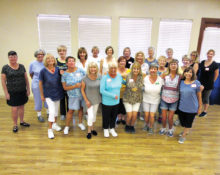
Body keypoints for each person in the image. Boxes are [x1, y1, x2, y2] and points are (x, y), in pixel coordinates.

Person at [1, 51, 30, 133]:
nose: (13, 58)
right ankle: (15, 124)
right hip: (12, 92)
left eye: (14, 56)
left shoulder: (21, 66)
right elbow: (3, 81)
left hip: (22, 91)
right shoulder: (5, 68)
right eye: (11, 57)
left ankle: (21, 121)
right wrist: (6, 93)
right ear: (8, 58)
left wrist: (28, 89)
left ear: (17, 57)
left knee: (21, 106)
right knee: (14, 109)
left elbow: (26, 78)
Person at [39, 54, 64, 139]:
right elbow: (40, 83)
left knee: (56, 111)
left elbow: (63, 80)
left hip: (58, 93)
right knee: (52, 112)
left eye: (52, 58)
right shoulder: (43, 71)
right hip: (48, 95)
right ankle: (50, 130)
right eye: (48, 58)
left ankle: (54, 124)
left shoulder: (58, 69)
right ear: (46, 60)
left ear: (54, 60)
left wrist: (62, 74)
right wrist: (42, 95)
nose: (50, 60)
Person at [62, 56, 86, 135]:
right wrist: (74, 86)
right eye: (69, 61)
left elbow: (86, 79)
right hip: (72, 96)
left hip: (82, 94)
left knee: (81, 109)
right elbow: (65, 87)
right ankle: (67, 126)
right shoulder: (65, 74)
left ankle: (80, 123)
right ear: (67, 63)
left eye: (73, 61)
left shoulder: (80, 71)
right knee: (71, 111)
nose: (72, 62)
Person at [178, 67, 202, 143]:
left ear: (193, 74)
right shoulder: (181, 82)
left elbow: (199, 96)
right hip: (182, 107)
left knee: (188, 123)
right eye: (187, 72)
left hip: (192, 108)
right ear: (184, 73)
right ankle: (185, 130)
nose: (188, 73)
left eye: (190, 72)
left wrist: (200, 107)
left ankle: (184, 135)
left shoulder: (196, 83)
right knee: (182, 122)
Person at [159, 59, 181, 137]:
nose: (173, 65)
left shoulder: (180, 76)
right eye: (172, 64)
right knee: (164, 117)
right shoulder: (164, 75)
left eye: (175, 64)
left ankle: (171, 129)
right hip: (164, 98)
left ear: (177, 66)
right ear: (169, 66)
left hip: (174, 99)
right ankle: (163, 128)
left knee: (170, 118)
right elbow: (158, 82)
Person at [100, 62, 122, 137]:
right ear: (108, 69)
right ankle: (105, 129)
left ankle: (112, 128)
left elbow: (123, 82)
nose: (113, 70)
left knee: (114, 116)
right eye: (111, 68)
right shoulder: (105, 77)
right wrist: (113, 95)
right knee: (106, 116)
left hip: (116, 101)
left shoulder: (119, 76)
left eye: (114, 68)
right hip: (107, 101)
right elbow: (102, 90)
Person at [81, 62, 101, 139]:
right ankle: (89, 131)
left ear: (96, 68)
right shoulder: (85, 78)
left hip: (97, 99)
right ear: (89, 69)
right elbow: (82, 90)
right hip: (88, 100)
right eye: (91, 67)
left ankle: (92, 128)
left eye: (94, 67)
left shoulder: (100, 77)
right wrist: (86, 101)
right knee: (90, 116)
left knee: (94, 115)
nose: (93, 69)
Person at [143, 63, 164, 134]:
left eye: (155, 69)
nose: (153, 70)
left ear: (157, 70)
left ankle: (151, 127)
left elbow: (164, 88)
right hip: (145, 99)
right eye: (151, 69)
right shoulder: (145, 78)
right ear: (149, 70)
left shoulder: (160, 79)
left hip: (155, 100)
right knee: (146, 115)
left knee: (152, 115)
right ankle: (146, 124)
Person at [123, 62, 144, 133]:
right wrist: (135, 87)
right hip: (128, 98)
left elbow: (140, 85)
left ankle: (132, 126)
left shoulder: (141, 76)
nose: (136, 70)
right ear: (132, 69)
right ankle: (127, 125)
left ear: (139, 70)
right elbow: (129, 85)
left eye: (137, 69)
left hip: (137, 99)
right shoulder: (129, 75)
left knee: (134, 115)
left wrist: (135, 87)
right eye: (134, 68)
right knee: (129, 115)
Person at [198, 49, 219, 117]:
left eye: (211, 54)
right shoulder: (203, 62)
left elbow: (216, 74)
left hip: (209, 84)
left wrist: (212, 81)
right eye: (208, 53)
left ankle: (205, 111)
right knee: (199, 96)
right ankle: (198, 109)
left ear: (213, 55)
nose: (209, 55)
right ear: (207, 54)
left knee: (206, 98)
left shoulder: (215, 64)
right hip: (201, 83)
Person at [29, 49, 48, 122]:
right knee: (38, 98)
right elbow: (31, 74)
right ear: (36, 55)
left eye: (42, 54)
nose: (40, 55)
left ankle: (48, 113)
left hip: (46, 83)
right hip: (36, 82)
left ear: (44, 55)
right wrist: (36, 79)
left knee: (47, 97)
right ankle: (39, 115)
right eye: (38, 54)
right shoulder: (32, 63)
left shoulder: (46, 62)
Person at [117, 56, 130, 125]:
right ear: (118, 62)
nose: (122, 62)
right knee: (118, 105)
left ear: (126, 62)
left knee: (124, 105)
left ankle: (123, 118)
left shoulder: (129, 70)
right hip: (117, 91)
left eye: (124, 61)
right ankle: (119, 117)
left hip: (126, 91)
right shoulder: (115, 70)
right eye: (121, 61)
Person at [56, 45, 68, 120]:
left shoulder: (68, 60)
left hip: (68, 83)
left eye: (63, 50)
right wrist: (59, 72)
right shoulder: (55, 60)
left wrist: (65, 73)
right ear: (58, 52)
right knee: (62, 99)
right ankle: (63, 114)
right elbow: (53, 71)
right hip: (59, 83)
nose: (62, 52)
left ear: (66, 51)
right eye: (60, 51)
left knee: (69, 99)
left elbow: (72, 70)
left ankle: (70, 112)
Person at [157, 56, 167, 123]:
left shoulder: (167, 70)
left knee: (162, 103)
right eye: (161, 60)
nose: (162, 62)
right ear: (158, 62)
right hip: (156, 88)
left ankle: (160, 115)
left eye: (163, 61)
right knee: (156, 102)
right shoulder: (155, 69)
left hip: (164, 88)